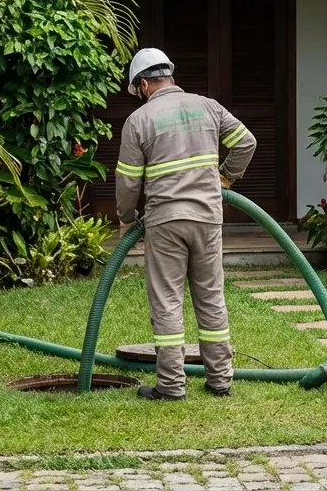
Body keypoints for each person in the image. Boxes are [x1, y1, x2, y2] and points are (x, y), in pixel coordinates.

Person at [116, 48, 257, 401]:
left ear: (143, 84)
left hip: (164, 221)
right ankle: (220, 380)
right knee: (210, 297)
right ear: (169, 75)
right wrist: (225, 177)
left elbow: (128, 181)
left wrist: (127, 220)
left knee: (167, 301)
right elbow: (246, 142)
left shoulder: (139, 120)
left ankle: (171, 385)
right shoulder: (208, 107)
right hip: (207, 217)